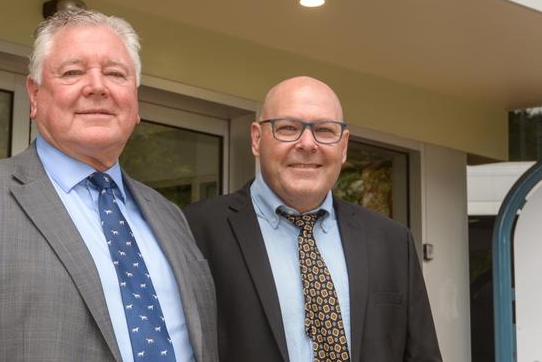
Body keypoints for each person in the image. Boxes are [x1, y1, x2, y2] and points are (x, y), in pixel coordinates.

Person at [0, 10, 217, 362]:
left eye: (115, 73)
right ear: (35, 96)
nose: (97, 86)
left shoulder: (169, 215)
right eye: (73, 72)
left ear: (136, 100)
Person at [183, 76, 442, 362]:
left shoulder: (392, 241)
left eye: (324, 130)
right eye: (288, 128)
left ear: (343, 146)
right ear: (257, 139)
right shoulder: (193, 231)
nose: (307, 144)